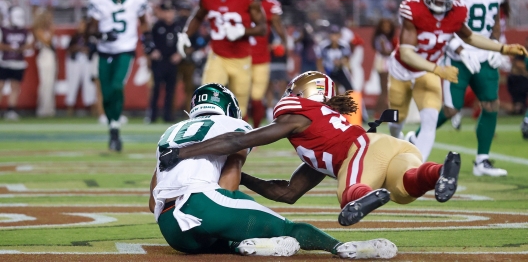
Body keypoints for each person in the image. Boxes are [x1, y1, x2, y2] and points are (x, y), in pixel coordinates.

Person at [163, 71, 463, 227]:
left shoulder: (298, 117)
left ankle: (364, 196)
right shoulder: (321, 143)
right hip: (393, 149)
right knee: (403, 190)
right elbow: (288, 193)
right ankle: (438, 173)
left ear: (304, 93)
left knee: (349, 193)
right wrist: (244, 178)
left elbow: (238, 140)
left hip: (363, 149)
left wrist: (183, 152)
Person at [149, 82, 397, 259]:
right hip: (204, 204)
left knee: (220, 235)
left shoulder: (169, 133)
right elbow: (229, 186)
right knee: (288, 229)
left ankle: (243, 246)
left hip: (171, 228)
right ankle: (343, 247)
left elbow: (153, 202)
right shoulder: (233, 123)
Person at [386, 0, 526, 163]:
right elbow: (406, 53)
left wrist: (502, 48)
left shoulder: (457, 12)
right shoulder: (413, 10)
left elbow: (470, 37)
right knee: (397, 118)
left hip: (429, 72)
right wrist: (437, 69)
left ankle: (415, 168)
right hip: (402, 70)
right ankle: (396, 139)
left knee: (430, 119)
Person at [409, 0, 510, 176]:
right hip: (459, 55)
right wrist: (461, 48)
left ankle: (482, 160)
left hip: (485, 53)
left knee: (491, 104)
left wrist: (497, 43)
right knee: (451, 109)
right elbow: (444, 20)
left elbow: (496, 18)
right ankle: (414, 141)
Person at [176, 0, 266, 118]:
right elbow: (198, 16)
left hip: (241, 57)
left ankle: (242, 138)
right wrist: (185, 34)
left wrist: (242, 31)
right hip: (217, 55)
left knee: (240, 105)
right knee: (207, 96)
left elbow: (262, 28)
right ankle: (205, 136)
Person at [87, 0, 149, 151]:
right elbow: (91, 28)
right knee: (106, 93)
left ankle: (115, 127)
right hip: (104, 50)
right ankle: (112, 126)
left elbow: (144, 23)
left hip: (125, 49)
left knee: (116, 85)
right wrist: (102, 35)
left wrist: (148, 41)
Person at [246, 0, 287, 128]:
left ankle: (254, 130)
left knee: (257, 97)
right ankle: (241, 129)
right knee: (241, 97)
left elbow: (280, 30)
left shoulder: (270, 6)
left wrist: (283, 44)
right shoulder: (238, 2)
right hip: (239, 57)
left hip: (261, 58)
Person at [146, 0, 184, 123]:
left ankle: (168, 116)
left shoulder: (178, 26)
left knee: (170, 90)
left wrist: (180, 54)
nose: (169, 14)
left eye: (171, 12)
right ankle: (152, 116)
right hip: (159, 62)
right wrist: (152, 51)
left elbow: (186, 42)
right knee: (156, 89)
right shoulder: (157, 26)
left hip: (172, 62)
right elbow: (147, 40)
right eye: (166, 12)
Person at [0, 6, 33, 120]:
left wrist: (21, 48)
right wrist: (10, 47)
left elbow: (30, 45)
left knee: (15, 87)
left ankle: (11, 110)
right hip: (4, 62)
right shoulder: (3, 29)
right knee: (1, 86)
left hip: (18, 63)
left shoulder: (24, 31)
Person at [65, 17, 97, 116]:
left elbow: (91, 50)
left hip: (87, 62)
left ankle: (92, 107)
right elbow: (69, 49)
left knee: (89, 84)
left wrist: (80, 48)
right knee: (72, 83)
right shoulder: (74, 37)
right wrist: (79, 48)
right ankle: (70, 107)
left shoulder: (90, 37)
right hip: (75, 62)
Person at [33, 8, 57, 117]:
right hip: (44, 55)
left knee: (51, 82)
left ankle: (49, 108)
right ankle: (43, 108)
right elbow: (47, 42)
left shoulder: (47, 30)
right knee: (45, 83)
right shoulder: (38, 30)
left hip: (51, 55)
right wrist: (51, 32)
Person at [316, 25, 353, 92]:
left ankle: (348, 102)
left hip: (339, 70)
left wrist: (341, 62)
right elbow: (319, 60)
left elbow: (346, 58)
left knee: (350, 89)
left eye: (336, 34)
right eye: (332, 34)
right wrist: (321, 72)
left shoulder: (344, 46)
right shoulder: (323, 46)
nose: (334, 37)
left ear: (339, 35)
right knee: (320, 90)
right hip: (327, 70)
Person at [371, 18, 396, 119]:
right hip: (383, 64)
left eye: (389, 26)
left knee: (385, 90)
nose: (387, 29)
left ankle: (380, 112)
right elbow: (384, 52)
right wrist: (396, 51)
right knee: (384, 90)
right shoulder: (381, 38)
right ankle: (378, 113)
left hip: (385, 64)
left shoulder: (385, 38)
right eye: (384, 26)